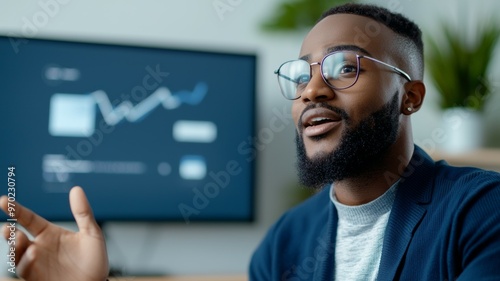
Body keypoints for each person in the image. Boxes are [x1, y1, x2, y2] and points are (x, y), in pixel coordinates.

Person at [1, 3, 500, 281]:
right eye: (300, 76)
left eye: (344, 67)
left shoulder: (482, 213)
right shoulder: (285, 243)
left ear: (409, 97)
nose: (312, 91)